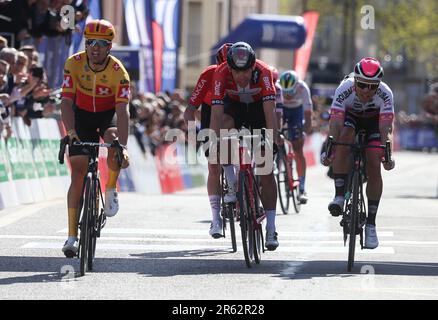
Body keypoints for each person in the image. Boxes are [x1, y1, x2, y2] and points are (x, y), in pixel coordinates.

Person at [60, 19, 130, 257]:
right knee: (78, 173)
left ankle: (110, 188)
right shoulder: (74, 63)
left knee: (113, 140)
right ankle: (71, 236)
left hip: (107, 115)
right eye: (91, 43)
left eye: (101, 43)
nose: (95, 48)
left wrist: (123, 144)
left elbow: (122, 112)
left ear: (109, 46)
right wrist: (70, 133)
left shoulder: (118, 71)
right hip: (81, 117)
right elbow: (66, 102)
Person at [210, 42, 280, 251]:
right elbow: (216, 113)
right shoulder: (221, 74)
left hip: (259, 111)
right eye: (236, 72)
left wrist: (272, 141)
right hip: (236, 109)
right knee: (224, 128)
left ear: (252, 67)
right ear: (229, 68)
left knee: (266, 170)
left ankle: (271, 227)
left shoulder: (264, 72)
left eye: (246, 72)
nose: (241, 77)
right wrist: (214, 140)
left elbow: (270, 112)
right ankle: (232, 181)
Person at [322, 57, 395, 249]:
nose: (366, 91)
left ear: (378, 85)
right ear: (355, 81)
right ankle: (339, 195)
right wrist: (331, 149)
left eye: (372, 87)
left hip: (374, 122)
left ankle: (371, 224)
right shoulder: (344, 88)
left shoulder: (386, 94)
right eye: (362, 85)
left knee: (373, 160)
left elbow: (386, 129)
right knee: (344, 137)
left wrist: (387, 154)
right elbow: (335, 123)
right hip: (350, 118)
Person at [184, 43, 233, 238]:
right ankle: (216, 220)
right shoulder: (208, 74)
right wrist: (192, 133)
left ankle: (243, 187)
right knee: (214, 165)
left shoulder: (246, 74)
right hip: (209, 111)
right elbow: (189, 110)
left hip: (233, 110)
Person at [277, 70, 313, 204]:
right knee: (276, 134)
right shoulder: (277, 87)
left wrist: (306, 128)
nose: (288, 95)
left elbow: (308, 113)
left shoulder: (303, 88)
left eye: (291, 92)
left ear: (296, 87)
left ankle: (302, 187)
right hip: (281, 110)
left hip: (297, 112)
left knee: (298, 148)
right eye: (285, 92)